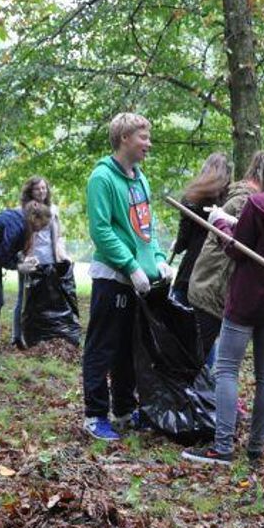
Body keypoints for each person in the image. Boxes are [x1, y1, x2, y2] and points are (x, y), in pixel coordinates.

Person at [181, 147, 264, 467]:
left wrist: (220, 223)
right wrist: (233, 223)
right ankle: (256, 447)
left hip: (248, 297)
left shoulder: (258, 203)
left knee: (226, 369)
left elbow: (236, 250)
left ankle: (222, 448)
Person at [82, 112, 170, 441]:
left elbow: (146, 227)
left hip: (140, 282)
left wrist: (157, 259)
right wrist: (130, 265)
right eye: (143, 137)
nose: (148, 143)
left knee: (128, 349)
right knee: (102, 347)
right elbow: (101, 230)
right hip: (112, 278)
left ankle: (122, 410)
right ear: (124, 139)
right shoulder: (102, 178)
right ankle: (94, 416)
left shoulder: (141, 179)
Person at [187, 151, 263, 365]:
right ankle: (183, 396)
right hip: (212, 289)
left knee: (203, 354)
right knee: (197, 358)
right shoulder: (244, 202)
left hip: (209, 287)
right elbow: (234, 250)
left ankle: (198, 394)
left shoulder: (244, 200)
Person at [0, 200, 52, 351]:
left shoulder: (21, 219)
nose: (39, 230)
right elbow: (3, 256)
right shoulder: (17, 225)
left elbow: (5, 251)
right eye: (40, 226)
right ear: (34, 218)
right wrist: (19, 266)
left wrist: (22, 260)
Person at [11, 177, 69, 349]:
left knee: (46, 299)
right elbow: (25, 237)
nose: (42, 192)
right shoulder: (22, 211)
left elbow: (56, 237)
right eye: (38, 189)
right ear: (30, 191)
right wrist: (25, 257)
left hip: (49, 260)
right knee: (23, 298)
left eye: (44, 188)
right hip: (30, 260)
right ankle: (17, 336)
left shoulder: (53, 210)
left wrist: (60, 257)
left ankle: (41, 334)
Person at [170, 153, 232, 305]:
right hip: (215, 274)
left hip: (190, 271)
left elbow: (183, 241)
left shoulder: (191, 199)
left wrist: (177, 245)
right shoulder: (229, 203)